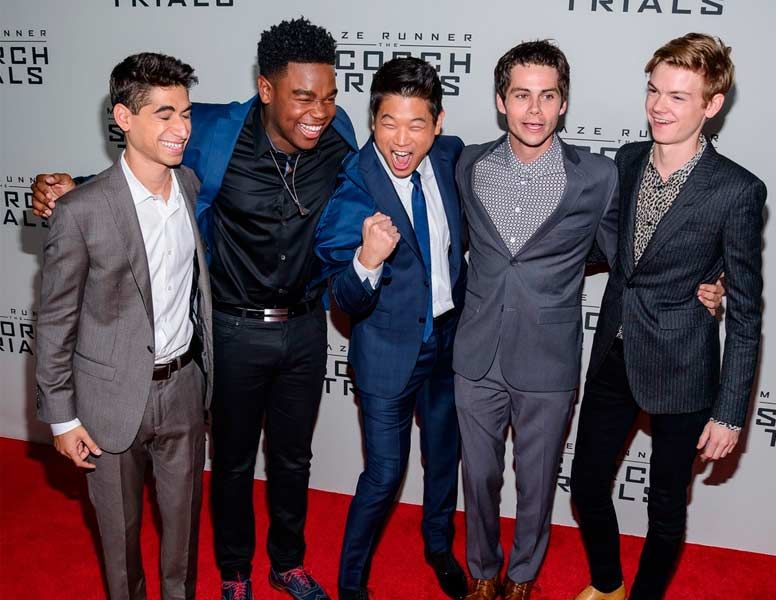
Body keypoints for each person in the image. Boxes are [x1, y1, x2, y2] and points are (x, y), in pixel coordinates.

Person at [31, 18, 358, 600]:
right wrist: (69, 187)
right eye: (304, 97)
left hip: (306, 327)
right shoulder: (212, 131)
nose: (319, 111)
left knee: (294, 459)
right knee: (230, 462)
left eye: (329, 97)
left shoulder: (339, 134)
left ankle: (288, 562)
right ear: (266, 89)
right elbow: (142, 165)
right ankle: (235, 573)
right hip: (232, 328)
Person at [452, 41, 723, 600]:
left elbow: (633, 255)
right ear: (501, 101)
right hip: (476, 352)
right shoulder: (468, 164)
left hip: (548, 357)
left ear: (563, 102)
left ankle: (521, 577)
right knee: (477, 477)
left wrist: (707, 279)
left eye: (547, 96)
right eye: (521, 95)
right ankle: (482, 570)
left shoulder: (597, 177)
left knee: (537, 481)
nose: (534, 110)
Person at [569, 33, 766, 600]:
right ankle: (608, 584)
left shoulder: (736, 190)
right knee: (585, 485)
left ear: (712, 104)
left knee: (665, 508)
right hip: (614, 351)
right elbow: (610, 250)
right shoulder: (627, 160)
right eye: (654, 90)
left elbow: (747, 314)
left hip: (683, 364)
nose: (659, 106)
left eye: (678, 96)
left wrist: (730, 414)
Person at [35, 52, 213, 600]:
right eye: (164, 114)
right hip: (108, 401)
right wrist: (62, 419)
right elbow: (55, 321)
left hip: (183, 388)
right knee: (120, 542)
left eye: (185, 113)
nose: (181, 128)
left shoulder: (190, 187)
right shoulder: (80, 211)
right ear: (123, 117)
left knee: (183, 535)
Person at [315, 57, 468, 600]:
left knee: (444, 457)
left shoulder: (450, 158)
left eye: (416, 124)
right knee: (383, 475)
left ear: (438, 123)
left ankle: (439, 547)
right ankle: (351, 584)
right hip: (388, 354)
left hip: (447, 343)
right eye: (388, 123)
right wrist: (367, 260)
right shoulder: (354, 186)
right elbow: (342, 296)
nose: (401, 141)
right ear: (373, 120)